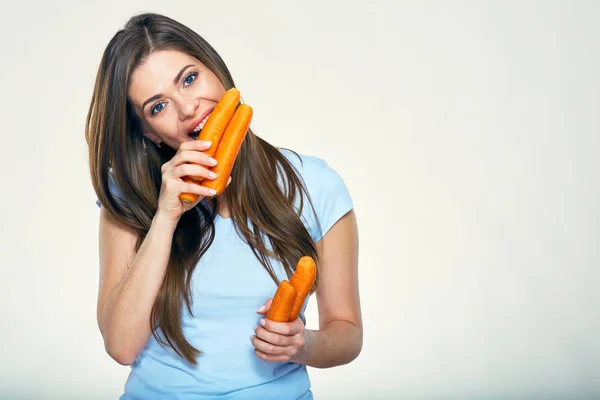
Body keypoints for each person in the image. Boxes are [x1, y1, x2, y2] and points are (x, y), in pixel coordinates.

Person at [85, 12, 362, 400]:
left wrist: (303, 344)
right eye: (157, 107)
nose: (187, 108)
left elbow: (347, 332)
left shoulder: (315, 185)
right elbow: (120, 345)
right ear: (148, 132)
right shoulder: (129, 195)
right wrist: (166, 215)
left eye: (189, 78)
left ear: (215, 69)